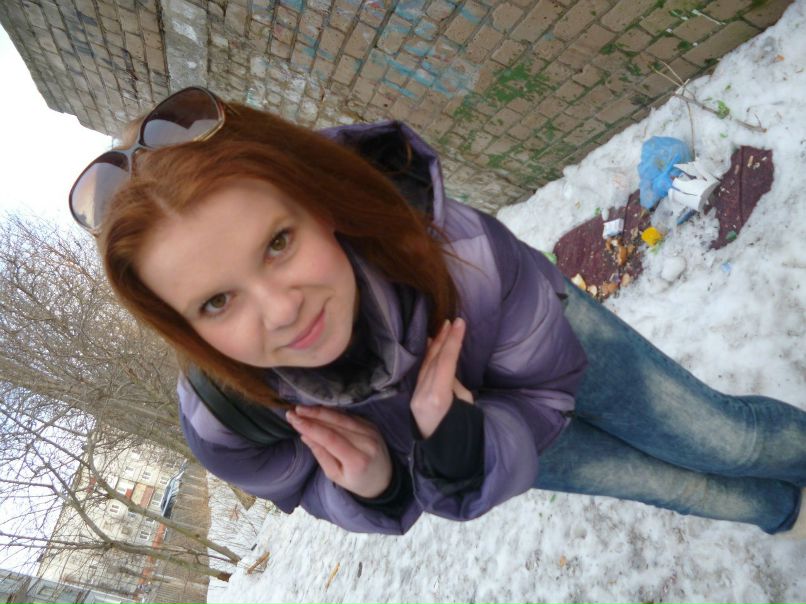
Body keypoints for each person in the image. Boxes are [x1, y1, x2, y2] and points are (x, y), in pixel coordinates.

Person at [70, 86, 806, 536]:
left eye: (278, 243)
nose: (282, 312)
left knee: (724, 440)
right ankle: (787, 515)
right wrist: (390, 477)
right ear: (182, 325)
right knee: (673, 486)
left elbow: (546, 387)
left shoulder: (455, 249)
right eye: (216, 301)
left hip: (534, 338)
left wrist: (456, 436)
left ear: (319, 205)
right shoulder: (228, 421)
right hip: (491, 440)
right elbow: (312, 487)